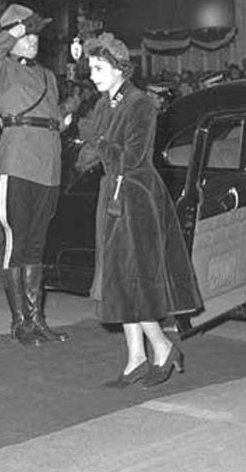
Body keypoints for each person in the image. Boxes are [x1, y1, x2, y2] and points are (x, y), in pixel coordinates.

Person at [75, 32, 202, 388]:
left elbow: (131, 158)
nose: (93, 76)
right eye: (91, 69)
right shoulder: (105, 104)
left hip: (136, 196)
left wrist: (97, 140)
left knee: (134, 276)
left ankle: (161, 347)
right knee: (118, 277)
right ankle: (136, 357)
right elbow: (92, 156)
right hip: (113, 195)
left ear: (119, 68)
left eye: (99, 68)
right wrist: (84, 148)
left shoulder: (140, 104)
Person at [0, 3, 67, 346]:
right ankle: (19, 323)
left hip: (47, 165)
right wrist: (17, 29)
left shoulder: (48, 77)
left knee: (37, 245)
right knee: (17, 243)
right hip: (17, 163)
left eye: (35, 34)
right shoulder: (1, 68)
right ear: (11, 36)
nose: (32, 40)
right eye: (26, 34)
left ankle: (36, 319)